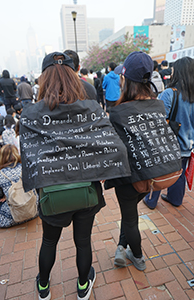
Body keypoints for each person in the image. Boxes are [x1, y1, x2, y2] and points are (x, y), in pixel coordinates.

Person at [21, 52, 106, 300]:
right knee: (83, 241)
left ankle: (44, 288)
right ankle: (82, 287)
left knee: (49, 242)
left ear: (43, 78)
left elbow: (30, 159)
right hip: (86, 189)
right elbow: (103, 147)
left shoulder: (33, 114)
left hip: (52, 191)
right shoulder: (90, 107)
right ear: (74, 74)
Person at [105, 51, 158, 271]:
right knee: (130, 215)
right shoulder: (158, 106)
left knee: (130, 219)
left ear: (124, 79)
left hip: (128, 179)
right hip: (152, 176)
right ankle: (121, 245)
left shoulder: (118, 112)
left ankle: (137, 257)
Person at [143, 56, 194, 209]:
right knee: (179, 174)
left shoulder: (170, 93)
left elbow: (158, 118)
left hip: (169, 143)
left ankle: (151, 200)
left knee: (160, 171)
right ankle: (175, 199)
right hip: (188, 144)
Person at [0, 144, 33, 228]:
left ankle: (5, 214)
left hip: (13, 217)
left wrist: (6, 194)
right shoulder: (26, 167)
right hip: (32, 210)